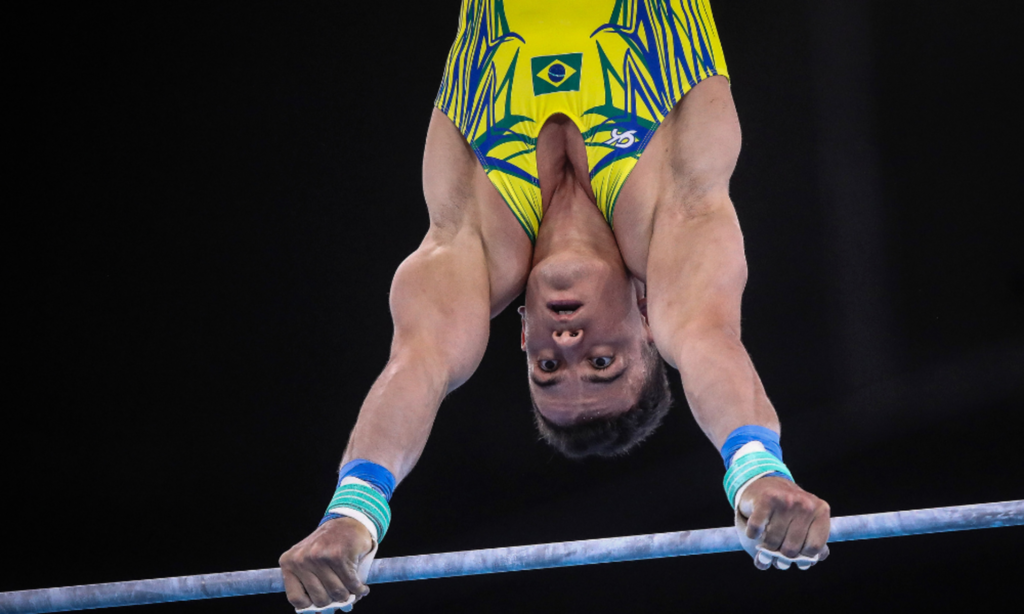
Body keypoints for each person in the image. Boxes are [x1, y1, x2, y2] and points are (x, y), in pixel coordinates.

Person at [280, 1, 830, 611]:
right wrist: (757, 471)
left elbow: (418, 365)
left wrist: (354, 513)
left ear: (523, 339)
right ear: (649, 320)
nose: (566, 345)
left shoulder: (475, 245)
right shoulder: (675, 209)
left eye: (547, 369)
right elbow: (707, 337)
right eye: (602, 362)